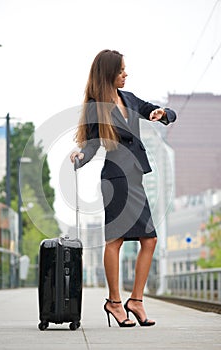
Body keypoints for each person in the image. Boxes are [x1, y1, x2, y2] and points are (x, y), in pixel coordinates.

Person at [70, 49, 177, 328]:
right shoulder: (97, 106)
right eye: (120, 71)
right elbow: (92, 145)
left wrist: (162, 112)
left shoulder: (129, 98)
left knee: (150, 240)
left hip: (136, 178)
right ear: (108, 74)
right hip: (115, 181)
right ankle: (115, 302)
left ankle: (136, 301)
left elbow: (158, 111)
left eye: (125, 70)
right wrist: (79, 157)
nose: (125, 74)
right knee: (114, 241)